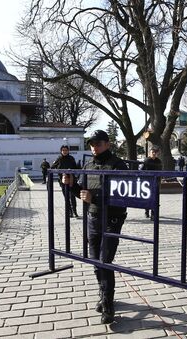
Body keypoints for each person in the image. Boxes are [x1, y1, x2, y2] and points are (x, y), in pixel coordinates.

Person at [62, 130, 128, 324]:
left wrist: (95, 198)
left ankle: (108, 305)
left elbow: (123, 196)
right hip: (92, 218)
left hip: (112, 219)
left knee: (104, 261)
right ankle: (104, 293)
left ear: (107, 144)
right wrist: (72, 184)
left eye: (98, 143)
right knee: (95, 261)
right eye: (91, 143)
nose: (94, 147)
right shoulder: (88, 164)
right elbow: (83, 193)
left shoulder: (117, 165)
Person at [51, 145, 80, 218]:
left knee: (72, 196)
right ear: (61, 151)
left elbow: (75, 168)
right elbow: (52, 167)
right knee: (66, 197)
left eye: (66, 150)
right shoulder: (59, 159)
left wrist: (77, 167)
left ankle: (75, 211)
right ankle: (70, 212)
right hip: (62, 181)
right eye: (63, 150)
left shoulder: (71, 158)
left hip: (71, 181)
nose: (64, 152)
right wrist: (60, 171)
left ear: (68, 151)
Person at [141, 145, 162, 220]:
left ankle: (153, 214)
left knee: (155, 198)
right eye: (152, 152)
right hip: (147, 182)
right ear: (150, 153)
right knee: (148, 198)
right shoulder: (147, 161)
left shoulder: (158, 161)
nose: (154, 154)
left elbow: (160, 171)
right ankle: (147, 211)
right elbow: (142, 170)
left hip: (156, 182)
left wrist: (160, 179)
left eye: (155, 152)